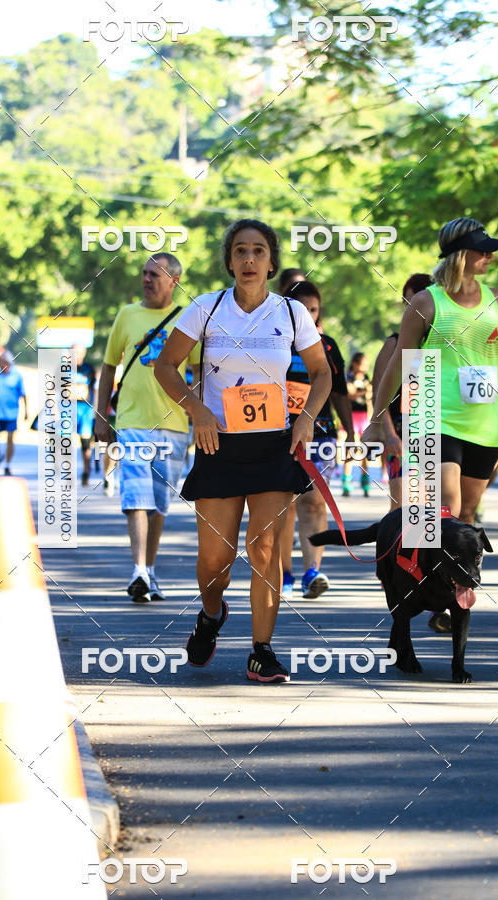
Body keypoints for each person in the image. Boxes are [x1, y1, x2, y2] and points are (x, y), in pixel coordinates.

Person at [155, 219, 331, 683]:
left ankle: (262, 651)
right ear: (229, 260)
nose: (249, 260)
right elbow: (166, 367)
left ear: (272, 261)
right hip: (219, 445)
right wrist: (197, 409)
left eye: (258, 251)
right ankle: (211, 615)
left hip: (273, 445)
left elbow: (322, 373)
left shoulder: (290, 314)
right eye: (239, 251)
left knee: (266, 547)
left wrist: (307, 418)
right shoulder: (205, 309)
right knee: (216, 561)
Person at [363, 217, 498, 633]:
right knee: (448, 510)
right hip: (433, 418)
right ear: (462, 254)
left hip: (485, 426)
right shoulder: (427, 303)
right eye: (484, 249)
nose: (491, 256)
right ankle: (422, 593)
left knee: (465, 517)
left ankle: (441, 585)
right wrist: (380, 419)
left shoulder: (497, 300)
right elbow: (398, 365)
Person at [95, 253, 199, 603]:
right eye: (144, 273)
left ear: (174, 281)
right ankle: (138, 569)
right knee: (135, 495)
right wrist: (100, 415)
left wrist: (199, 415)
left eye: (155, 275)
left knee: (158, 504)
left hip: (173, 423)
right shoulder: (127, 315)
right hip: (132, 421)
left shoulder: (187, 318)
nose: (147, 280)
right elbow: (109, 367)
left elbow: (199, 373)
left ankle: (149, 571)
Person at [278, 280, 354, 599]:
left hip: (320, 431)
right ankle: (283, 575)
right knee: (283, 506)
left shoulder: (329, 346)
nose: (308, 316)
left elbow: (339, 392)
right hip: (278, 431)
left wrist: (350, 431)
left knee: (314, 501)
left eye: (314, 311)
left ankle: (313, 572)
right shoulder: (274, 341)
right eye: (302, 310)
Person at [372, 273, 433, 511]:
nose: (413, 308)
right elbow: (378, 391)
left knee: (432, 510)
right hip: (400, 434)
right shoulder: (394, 343)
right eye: (408, 303)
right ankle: (396, 548)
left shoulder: (443, 343)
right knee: (402, 505)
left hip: (437, 433)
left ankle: (427, 550)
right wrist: (388, 433)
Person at [0, 349, 27, 476]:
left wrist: (26, 411)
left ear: (7, 363)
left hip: (12, 413)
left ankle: (7, 465)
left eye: (1, 362)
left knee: (10, 439)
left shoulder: (17, 376)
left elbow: (23, 394)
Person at [343, 352, 372, 496]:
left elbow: (370, 399)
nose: (365, 369)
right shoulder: (349, 376)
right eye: (362, 365)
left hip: (364, 416)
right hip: (351, 416)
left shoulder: (366, 378)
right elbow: (351, 394)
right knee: (350, 449)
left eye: (366, 366)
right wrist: (366, 391)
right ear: (354, 364)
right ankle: (346, 480)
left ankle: (365, 480)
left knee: (364, 449)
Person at [71, 343, 96, 487]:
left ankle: (86, 471)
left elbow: (94, 389)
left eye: (79, 353)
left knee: (85, 443)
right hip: (67, 409)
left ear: (84, 354)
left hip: (85, 410)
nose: (76, 356)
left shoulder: (89, 368)